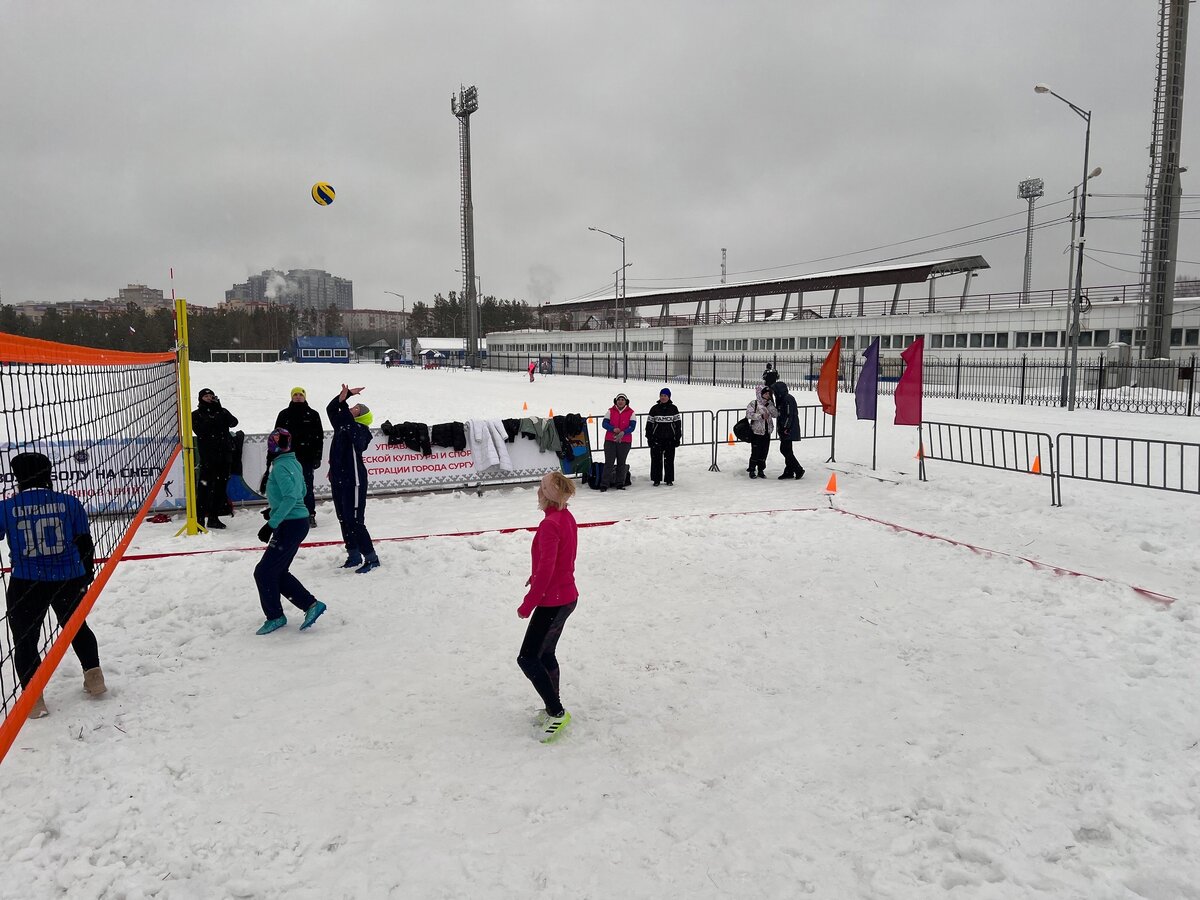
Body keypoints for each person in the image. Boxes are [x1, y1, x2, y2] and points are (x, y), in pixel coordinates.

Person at [0, 452, 105, 718]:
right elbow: (84, 543)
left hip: (26, 582)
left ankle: (34, 701)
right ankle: (95, 680)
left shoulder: (6, 507)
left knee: (25, 640)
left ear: (17, 478)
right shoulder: (69, 503)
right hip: (68, 579)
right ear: (49, 473)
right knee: (77, 628)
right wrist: (86, 576)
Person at [517, 471, 579, 743]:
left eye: (540, 488)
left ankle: (556, 711)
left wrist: (528, 604)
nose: (537, 492)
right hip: (566, 597)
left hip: (553, 601)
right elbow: (559, 558)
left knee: (527, 658)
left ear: (547, 496)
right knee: (545, 654)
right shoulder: (565, 517)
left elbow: (547, 569)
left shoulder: (550, 525)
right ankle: (552, 705)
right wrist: (536, 577)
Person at [253, 429, 327, 635]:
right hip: (296, 521)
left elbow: (292, 496)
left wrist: (272, 523)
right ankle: (311, 605)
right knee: (277, 571)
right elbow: (301, 491)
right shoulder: (293, 462)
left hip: (290, 524)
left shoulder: (281, 467)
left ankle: (275, 616)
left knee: (264, 572)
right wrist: (274, 508)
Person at [326, 384, 379, 573]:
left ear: (361, 416)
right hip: (339, 479)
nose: (351, 407)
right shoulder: (344, 424)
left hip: (354, 481)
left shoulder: (362, 430)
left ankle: (371, 558)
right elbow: (331, 410)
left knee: (355, 520)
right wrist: (344, 396)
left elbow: (357, 440)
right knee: (343, 519)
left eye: (356, 408)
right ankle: (353, 554)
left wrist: (346, 411)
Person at [273, 387, 325, 526]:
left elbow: (319, 437)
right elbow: (276, 436)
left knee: (306, 486)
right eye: (295, 394)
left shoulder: (313, 414)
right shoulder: (284, 414)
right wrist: (278, 454)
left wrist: (317, 456)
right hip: (288, 458)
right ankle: (288, 513)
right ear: (291, 397)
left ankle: (309, 513)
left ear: (304, 396)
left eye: (300, 394)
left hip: (307, 457)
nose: (297, 397)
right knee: (288, 487)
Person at [191, 387, 239, 530]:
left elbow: (234, 422)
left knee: (220, 488)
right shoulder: (196, 415)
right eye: (206, 396)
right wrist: (212, 416)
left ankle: (213, 518)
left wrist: (219, 409)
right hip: (208, 458)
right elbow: (201, 430)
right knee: (204, 489)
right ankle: (199, 519)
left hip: (224, 457)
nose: (209, 398)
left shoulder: (221, 411)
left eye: (211, 396)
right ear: (200, 399)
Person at [645, 387, 682, 486]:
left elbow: (678, 425)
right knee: (656, 459)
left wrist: (677, 438)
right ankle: (656, 479)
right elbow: (649, 424)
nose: (663, 397)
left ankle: (669, 479)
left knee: (669, 460)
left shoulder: (674, 408)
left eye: (665, 396)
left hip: (670, 439)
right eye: (661, 395)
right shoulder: (654, 409)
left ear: (669, 397)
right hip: (656, 439)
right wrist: (649, 438)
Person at [771, 377, 806, 480]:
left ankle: (798, 469)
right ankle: (789, 470)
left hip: (789, 429)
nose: (774, 394)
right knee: (787, 450)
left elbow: (789, 415)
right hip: (786, 428)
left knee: (785, 449)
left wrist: (786, 427)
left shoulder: (787, 399)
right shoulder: (782, 399)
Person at [600, 393, 636, 491]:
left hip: (625, 441)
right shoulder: (610, 411)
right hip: (610, 440)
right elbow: (604, 423)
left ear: (626, 402)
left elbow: (632, 427)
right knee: (609, 462)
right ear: (616, 401)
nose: (620, 401)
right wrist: (613, 429)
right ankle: (604, 483)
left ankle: (620, 483)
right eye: (619, 400)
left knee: (621, 463)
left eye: (622, 400)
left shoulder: (631, 412)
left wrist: (624, 432)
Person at [746, 385, 777, 479]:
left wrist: (770, 406)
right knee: (755, 451)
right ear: (760, 393)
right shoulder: (754, 403)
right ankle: (752, 469)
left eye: (769, 393)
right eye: (765, 393)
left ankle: (761, 469)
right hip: (757, 432)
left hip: (767, 432)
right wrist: (761, 416)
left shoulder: (769, 403)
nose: (767, 395)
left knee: (764, 452)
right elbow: (749, 414)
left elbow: (775, 414)